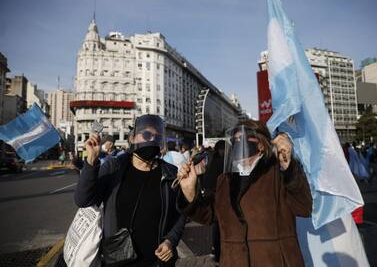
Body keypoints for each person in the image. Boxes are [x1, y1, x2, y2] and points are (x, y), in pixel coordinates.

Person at [177, 120, 312, 266]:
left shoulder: (278, 173)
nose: (237, 143)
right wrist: (189, 191)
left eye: (242, 139)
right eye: (234, 140)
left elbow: (303, 207)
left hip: (274, 261)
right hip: (234, 261)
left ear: (260, 144)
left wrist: (289, 167)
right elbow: (210, 215)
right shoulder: (225, 180)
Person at [75, 114, 186, 267]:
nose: (152, 140)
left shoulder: (170, 173)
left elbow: (181, 212)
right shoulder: (114, 167)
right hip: (117, 260)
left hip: (157, 262)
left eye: (157, 136)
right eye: (146, 134)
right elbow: (83, 199)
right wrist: (91, 161)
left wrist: (170, 241)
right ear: (132, 138)